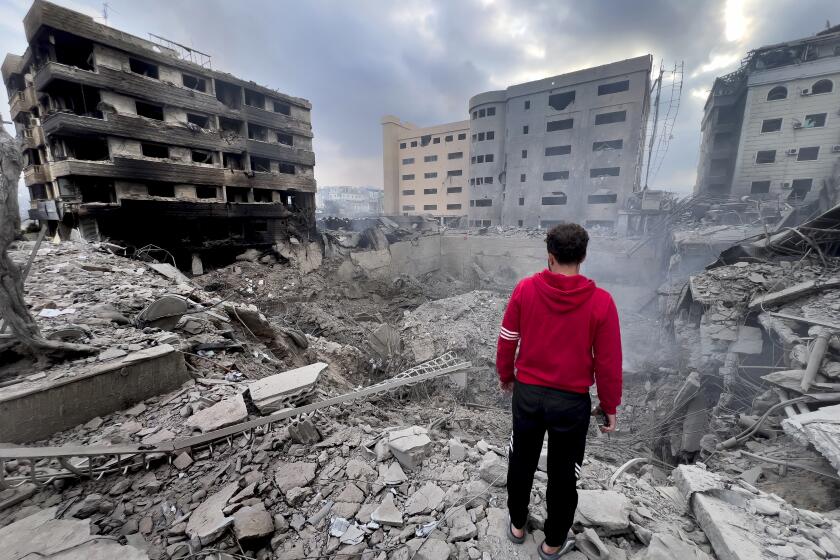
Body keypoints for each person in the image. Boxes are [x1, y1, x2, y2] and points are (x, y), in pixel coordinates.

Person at [496, 223, 622, 559]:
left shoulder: (525, 289)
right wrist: (609, 405)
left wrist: (506, 375)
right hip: (570, 403)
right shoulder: (602, 302)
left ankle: (518, 525)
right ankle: (552, 543)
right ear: (583, 256)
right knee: (564, 472)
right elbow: (608, 362)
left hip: (529, 394)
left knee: (521, 459)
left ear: (550, 257)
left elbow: (508, 338)